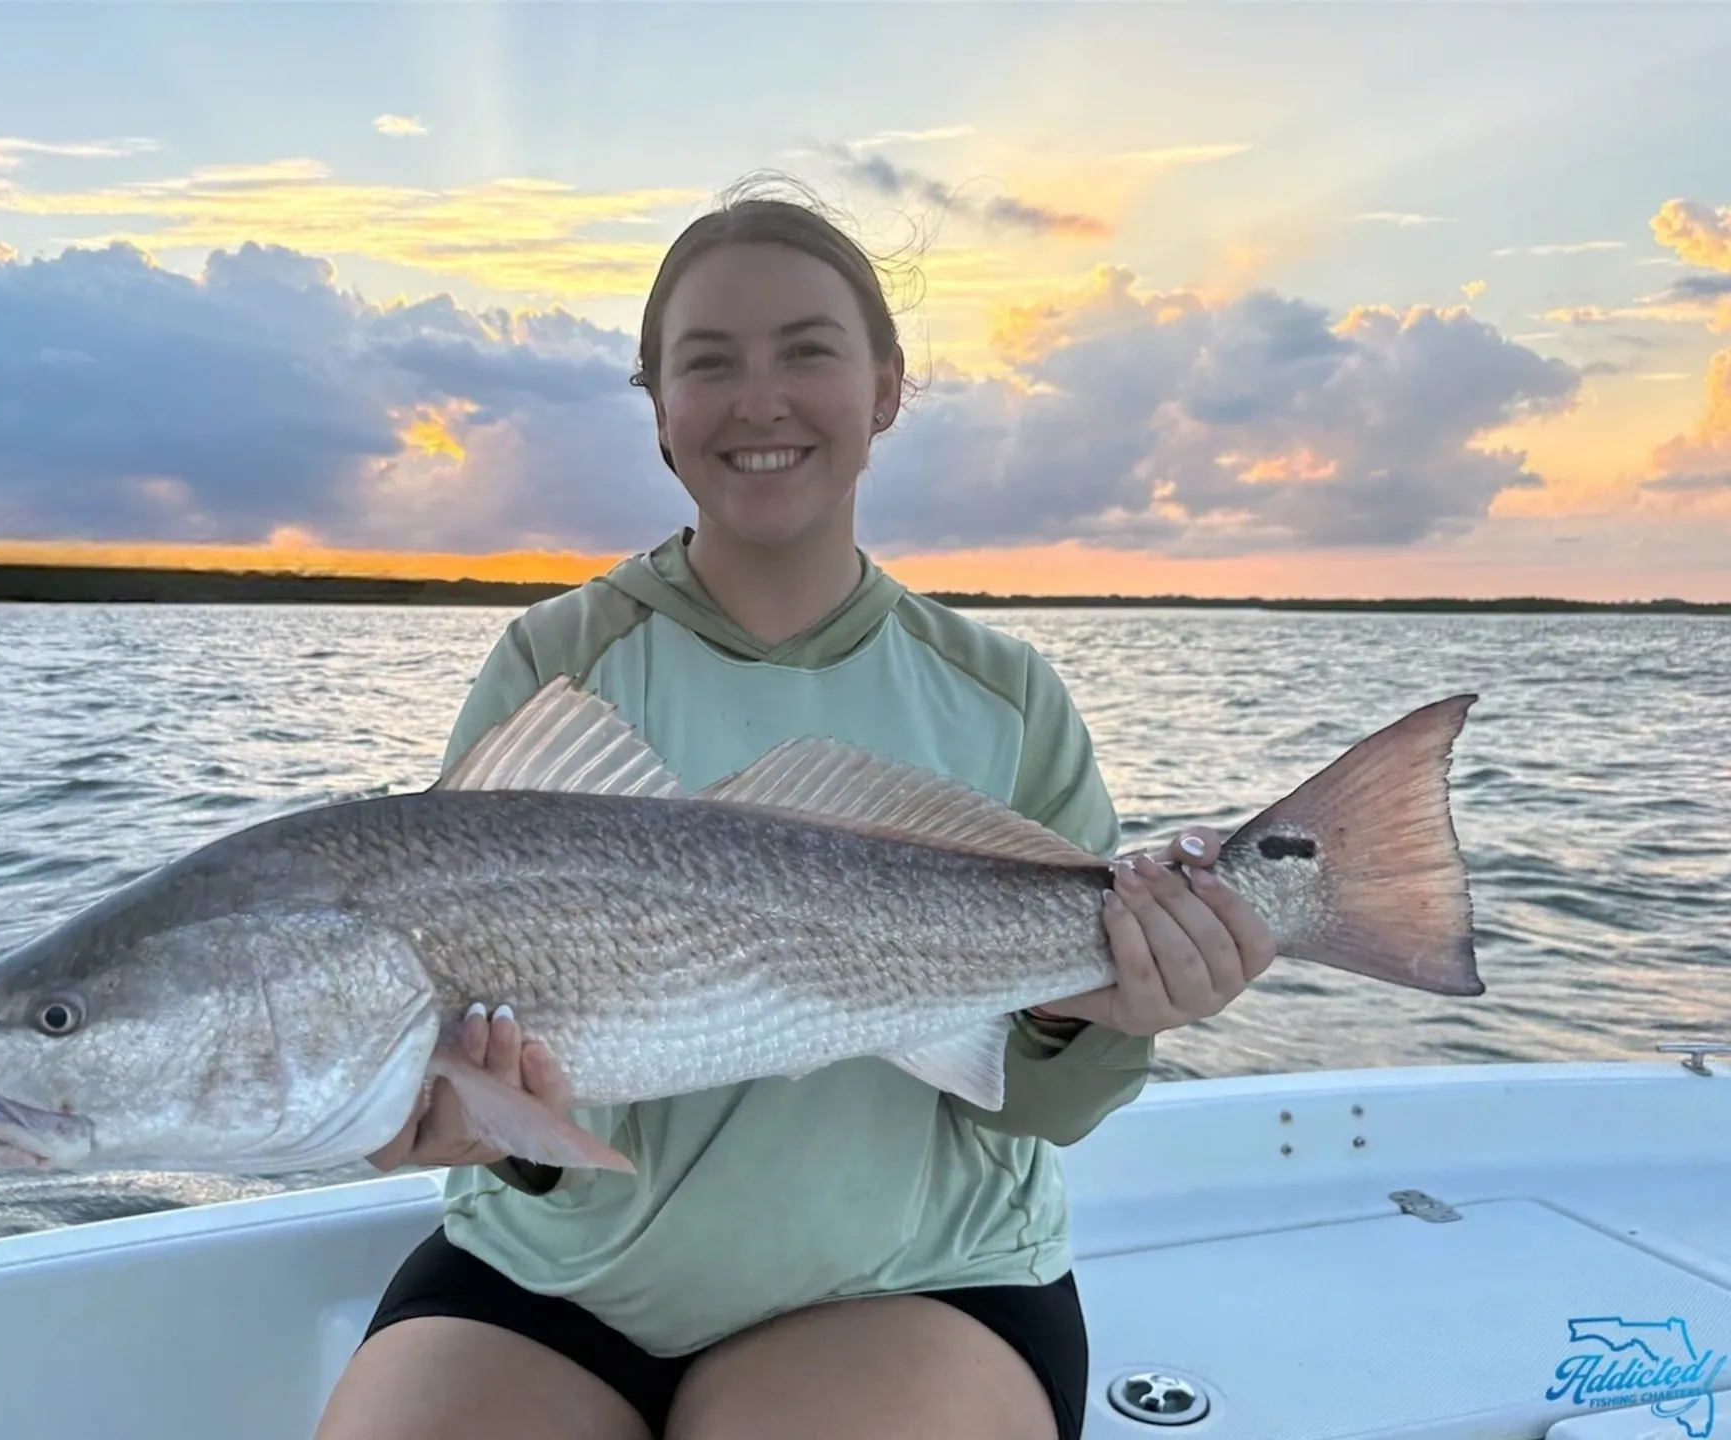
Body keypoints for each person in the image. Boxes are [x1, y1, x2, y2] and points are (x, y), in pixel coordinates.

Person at [312, 179, 1278, 1440]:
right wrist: (450, 1116)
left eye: (805, 353)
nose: (758, 400)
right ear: (657, 410)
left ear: (884, 386)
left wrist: (1128, 1008)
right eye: (707, 363)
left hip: (917, 1275)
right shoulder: (551, 664)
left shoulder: (1001, 698)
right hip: (557, 1273)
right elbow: (493, 1099)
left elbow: (1043, 1107)